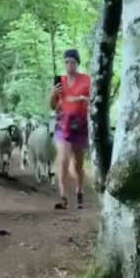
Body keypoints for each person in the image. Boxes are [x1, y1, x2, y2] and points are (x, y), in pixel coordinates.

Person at [49, 48, 91, 210]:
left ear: (77, 63)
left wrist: (83, 99)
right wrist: (53, 94)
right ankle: (63, 196)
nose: (69, 65)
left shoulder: (86, 80)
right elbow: (53, 106)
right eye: (66, 61)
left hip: (80, 125)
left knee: (78, 164)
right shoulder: (61, 81)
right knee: (63, 160)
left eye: (72, 61)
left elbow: (93, 99)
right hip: (62, 124)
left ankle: (79, 190)